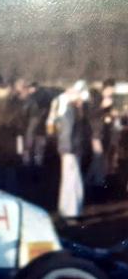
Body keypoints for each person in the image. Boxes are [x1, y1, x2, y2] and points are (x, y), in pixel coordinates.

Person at [57, 81, 90, 220]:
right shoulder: (70, 110)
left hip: (73, 149)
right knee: (71, 180)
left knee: (73, 180)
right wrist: (68, 149)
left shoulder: (74, 110)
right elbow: (66, 132)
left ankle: (71, 210)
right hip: (70, 150)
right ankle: (70, 212)